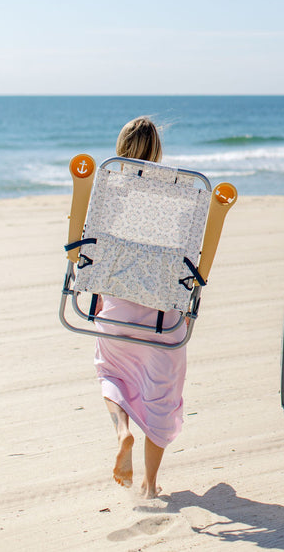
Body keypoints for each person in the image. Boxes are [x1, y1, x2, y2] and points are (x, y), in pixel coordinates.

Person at [92, 116, 187, 499]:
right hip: (161, 317)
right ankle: (149, 485)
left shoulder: (108, 192)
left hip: (116, 313)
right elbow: (187, 261)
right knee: (161, 397)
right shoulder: (179, 196)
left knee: (111, 373)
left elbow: (92, 254)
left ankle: (122, 432)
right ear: (157, 152)